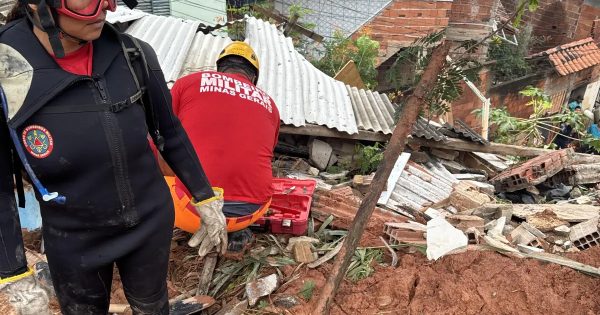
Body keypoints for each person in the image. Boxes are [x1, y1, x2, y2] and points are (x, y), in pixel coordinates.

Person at [0, 0, 226, 314]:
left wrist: (205, 197)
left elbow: (170, 132)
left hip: (149, 221)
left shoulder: (133, 55)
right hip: (73, 239)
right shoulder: (6, 74)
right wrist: (12, 272)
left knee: (152, 308)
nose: (106, 8)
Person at [164, 42, 280, 251]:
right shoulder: (270, 104)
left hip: (191, 212)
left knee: (157, 153)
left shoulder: (188, 82)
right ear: (253, 77)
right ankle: (237, 230)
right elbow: (268, 151)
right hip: (250, 212)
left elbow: (158, 132)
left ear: (220, 69)